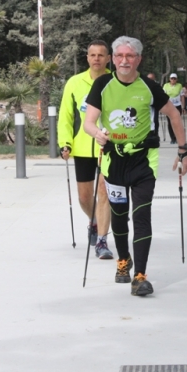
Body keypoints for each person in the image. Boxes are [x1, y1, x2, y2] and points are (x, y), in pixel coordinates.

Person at [84, 36, 187, 297]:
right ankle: (123, 260)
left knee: (142, 215)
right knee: (119, 216)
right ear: (113, 58)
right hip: (114, 160)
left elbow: (174, 115)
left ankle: (140, 276)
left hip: (144, 161)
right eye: (119, 55)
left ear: (138, 59)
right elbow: (88, 122)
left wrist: (183, 151)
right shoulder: (102, 84)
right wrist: (97, 134)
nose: (124, 61)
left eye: (130, 56)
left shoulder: (149, 87)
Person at [58, 40, 114, 259]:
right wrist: (65, 143)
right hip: (82, 147)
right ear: (87, 58)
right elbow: (66, 116)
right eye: (93, 55)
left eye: (101, 55)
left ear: (108, 58)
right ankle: (94, 221)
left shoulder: (115, 81)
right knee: (84, 197)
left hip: (108, 147)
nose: (96, 59)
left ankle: (102, 241)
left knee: (103, 192)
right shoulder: (74, 82)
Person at [162, 73, 183, 144]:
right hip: (169, 106)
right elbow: (163, 96)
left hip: (177, 105)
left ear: (177, 79)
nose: (173, 80)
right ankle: (172, 138)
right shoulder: (166, 85)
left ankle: (178, 137)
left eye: (174, 78)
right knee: (170, 122)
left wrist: (183, 106)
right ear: (169, 79)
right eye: (172, 78)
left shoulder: (179, 85)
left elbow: (182, 96)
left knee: (177, 122)